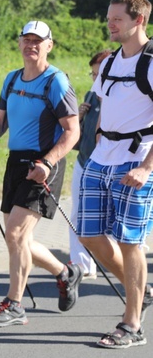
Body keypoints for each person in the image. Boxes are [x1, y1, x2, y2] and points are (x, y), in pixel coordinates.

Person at [0, 20, 81, 327]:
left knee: (15, 233)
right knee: (17, 238)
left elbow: (72, 131)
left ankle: (14, 304)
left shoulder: (56, 82)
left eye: (38, 40)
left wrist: (48, 163)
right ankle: (65, 273)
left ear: (49, 45)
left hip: (43, 165)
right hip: (16, 162)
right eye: (27, 39)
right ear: (20, 43)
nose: (31, 45)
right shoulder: (11, 79)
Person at [78, 0, 153, 349]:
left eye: (117, 19)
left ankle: (132, 322)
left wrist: (145, 167)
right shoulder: (107, 63)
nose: (110, 23)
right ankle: (139, 289)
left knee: (129, 241)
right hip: (101, 158)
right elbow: (96, 109)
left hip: (135, 161)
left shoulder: (152, 62)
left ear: (139, 20)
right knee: (88, 235)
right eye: (109, 17)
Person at [68, 50, 110, 279]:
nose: (95, 79)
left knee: (110, 217)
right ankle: (82, 265)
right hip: (86, 161)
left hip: (112, 164)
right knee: (78, 215)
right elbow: (80, 137)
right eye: (93, 74)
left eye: (100, 73)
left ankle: (117, 259)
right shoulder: (91, 95)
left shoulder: (123, 96)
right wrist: (79, 118)